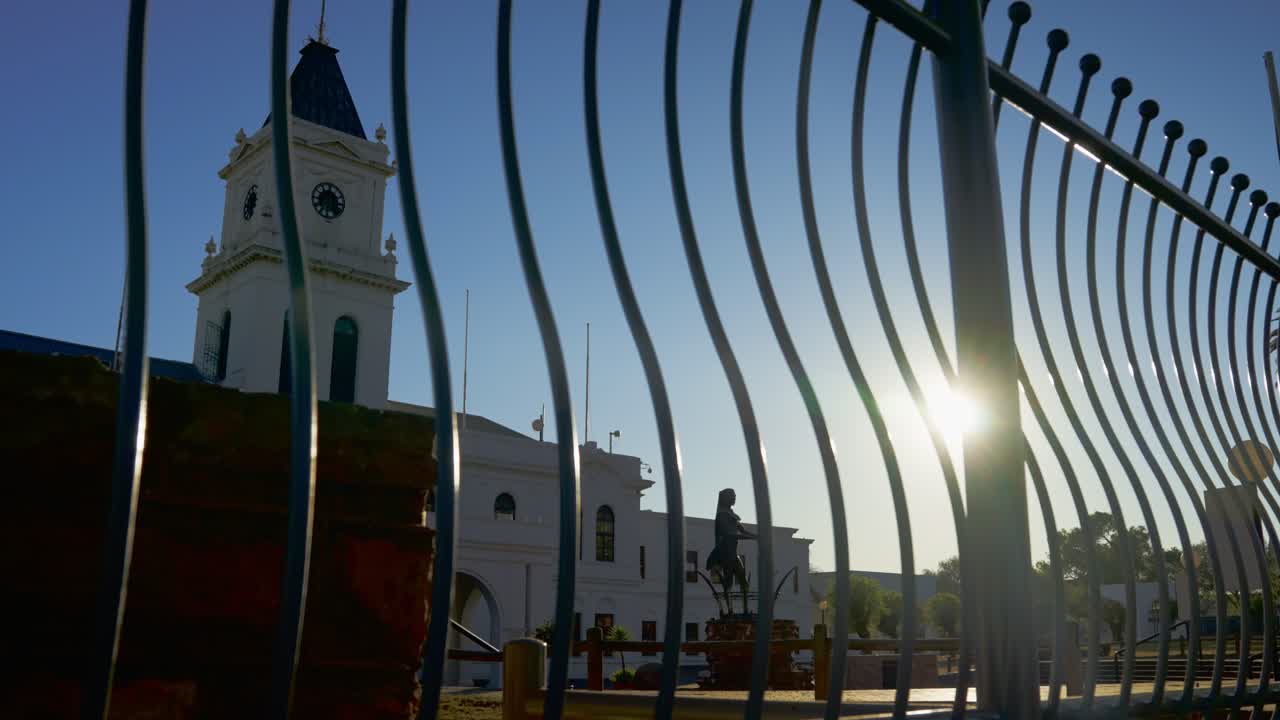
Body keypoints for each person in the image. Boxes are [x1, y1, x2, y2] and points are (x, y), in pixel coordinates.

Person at [706, 488, 757, 615]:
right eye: (732, 496)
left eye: (735, 495)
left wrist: (757, 537)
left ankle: (745, 610)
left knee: (744, 582)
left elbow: (743, 531)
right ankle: (730, 611)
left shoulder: (731, 514)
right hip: (726, 556)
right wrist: (751, 538)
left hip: (734, 555)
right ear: (725, 498)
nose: (735, 498)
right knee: (728, 583)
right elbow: (730, 535)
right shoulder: (721, 515)